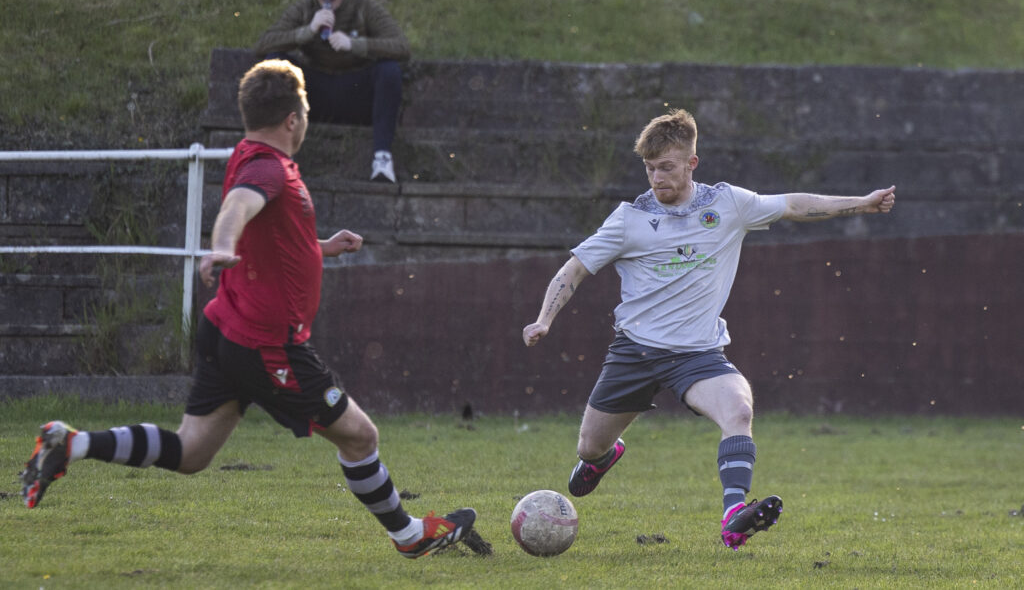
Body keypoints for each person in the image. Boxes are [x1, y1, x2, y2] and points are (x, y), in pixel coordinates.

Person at [20, 59, 475, 559]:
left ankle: (72, 444)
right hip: (267, 345)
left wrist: (322, 245)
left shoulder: (248, 152)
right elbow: (236, 209)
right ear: (293, 119)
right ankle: (409, 537)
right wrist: (219, 247)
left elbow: (271, 236)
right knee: (361, 436)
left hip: (228, 328)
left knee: (191, 453)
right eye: (304, 109)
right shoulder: (266, 167)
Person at [522, 109, 895, 550]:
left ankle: (734, 513)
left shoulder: (727, 204)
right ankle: (605, 456)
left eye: (666, 167)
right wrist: (545, 318)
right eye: (649, 169)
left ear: (691, 163)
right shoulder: (629, 219)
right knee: (588, 448)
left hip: (698, 356)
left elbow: (793, 204)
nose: (656, 178)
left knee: (738, 410)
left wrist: (862, 202)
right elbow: (575, 269)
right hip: (634, 353)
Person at [254, 0, 410, 183]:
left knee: (389, 70)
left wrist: (356, 45)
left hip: (357, 94)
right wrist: (306, 32)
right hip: (315, 96)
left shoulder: (363, 5)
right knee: (276, 64)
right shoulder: (306, 8)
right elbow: (263, 44)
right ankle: (278, 154)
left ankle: (382, 158)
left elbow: (401, 46)